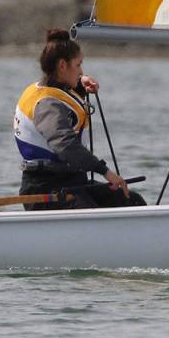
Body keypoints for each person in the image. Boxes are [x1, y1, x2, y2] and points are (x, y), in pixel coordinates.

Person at [13, 28, 145, 210]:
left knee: (130, 199)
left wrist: (79, 83)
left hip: (70, 182)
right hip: (45, 188)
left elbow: (62, 93)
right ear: (62, 66)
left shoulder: (50, 89)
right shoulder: (47, 104)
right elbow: (66, 146)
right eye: (78, 65)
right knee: (89, 211)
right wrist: (105, 172)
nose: (81, 71)